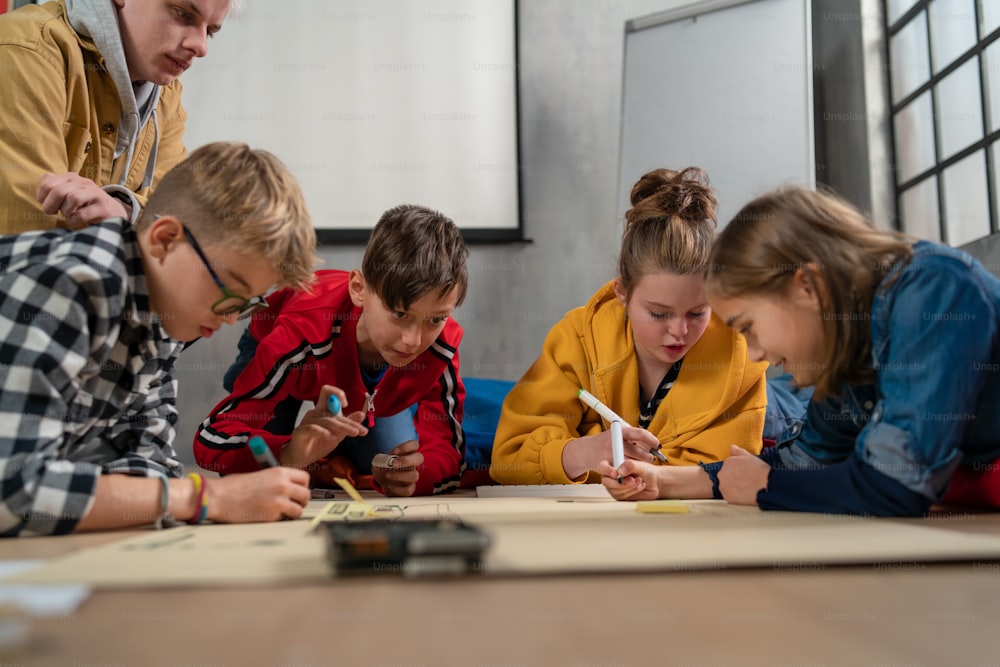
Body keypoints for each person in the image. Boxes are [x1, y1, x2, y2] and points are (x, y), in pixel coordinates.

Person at [602, 185, 1000, 516]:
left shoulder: (934, 291)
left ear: (807, 286)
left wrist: (766, 486)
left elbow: (895, 485)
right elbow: (808, 459)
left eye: (749, 327)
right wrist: (663, 481)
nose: (755, 354)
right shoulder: (842, 345)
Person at [0, 141, 318, 537]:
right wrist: (206, 499)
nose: (233, 315)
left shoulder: (161, 321)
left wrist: (170, 495)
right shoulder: (72, 285)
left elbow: (146, 466)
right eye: (229, 289)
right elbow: (13, 490)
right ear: (165, 239)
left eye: (249, 302)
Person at [490, 167, 795, 486]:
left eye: (697, 312)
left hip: (780, 413)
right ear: (622, 293)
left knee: (815, 402)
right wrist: (583, 451)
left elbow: (723, 473)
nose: (679, 331)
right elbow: (509, 458)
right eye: (659, 314)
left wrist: (583, 445)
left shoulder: (742, 355)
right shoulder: (576, 337)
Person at [194, 205, 469, 497]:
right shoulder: (298, 335)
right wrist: (288, 451)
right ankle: (315, 452)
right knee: (256, 470)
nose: (413, 341)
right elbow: (214, 437)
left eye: (436, 319)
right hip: (285, 348)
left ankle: (330, 453)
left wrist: (418, 476)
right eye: (399, 314)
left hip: (355, 390)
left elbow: (449, 454)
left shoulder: (441, 345)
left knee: (384, 465)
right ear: (359, 289)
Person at [0, 0, 232, 234]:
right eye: (183, 14)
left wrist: (125, 211)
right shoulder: (25, 50)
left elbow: (187, 224)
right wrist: (139, 226)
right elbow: (31, 239)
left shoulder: (166, 97)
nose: (201, 47)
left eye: (210, 32)